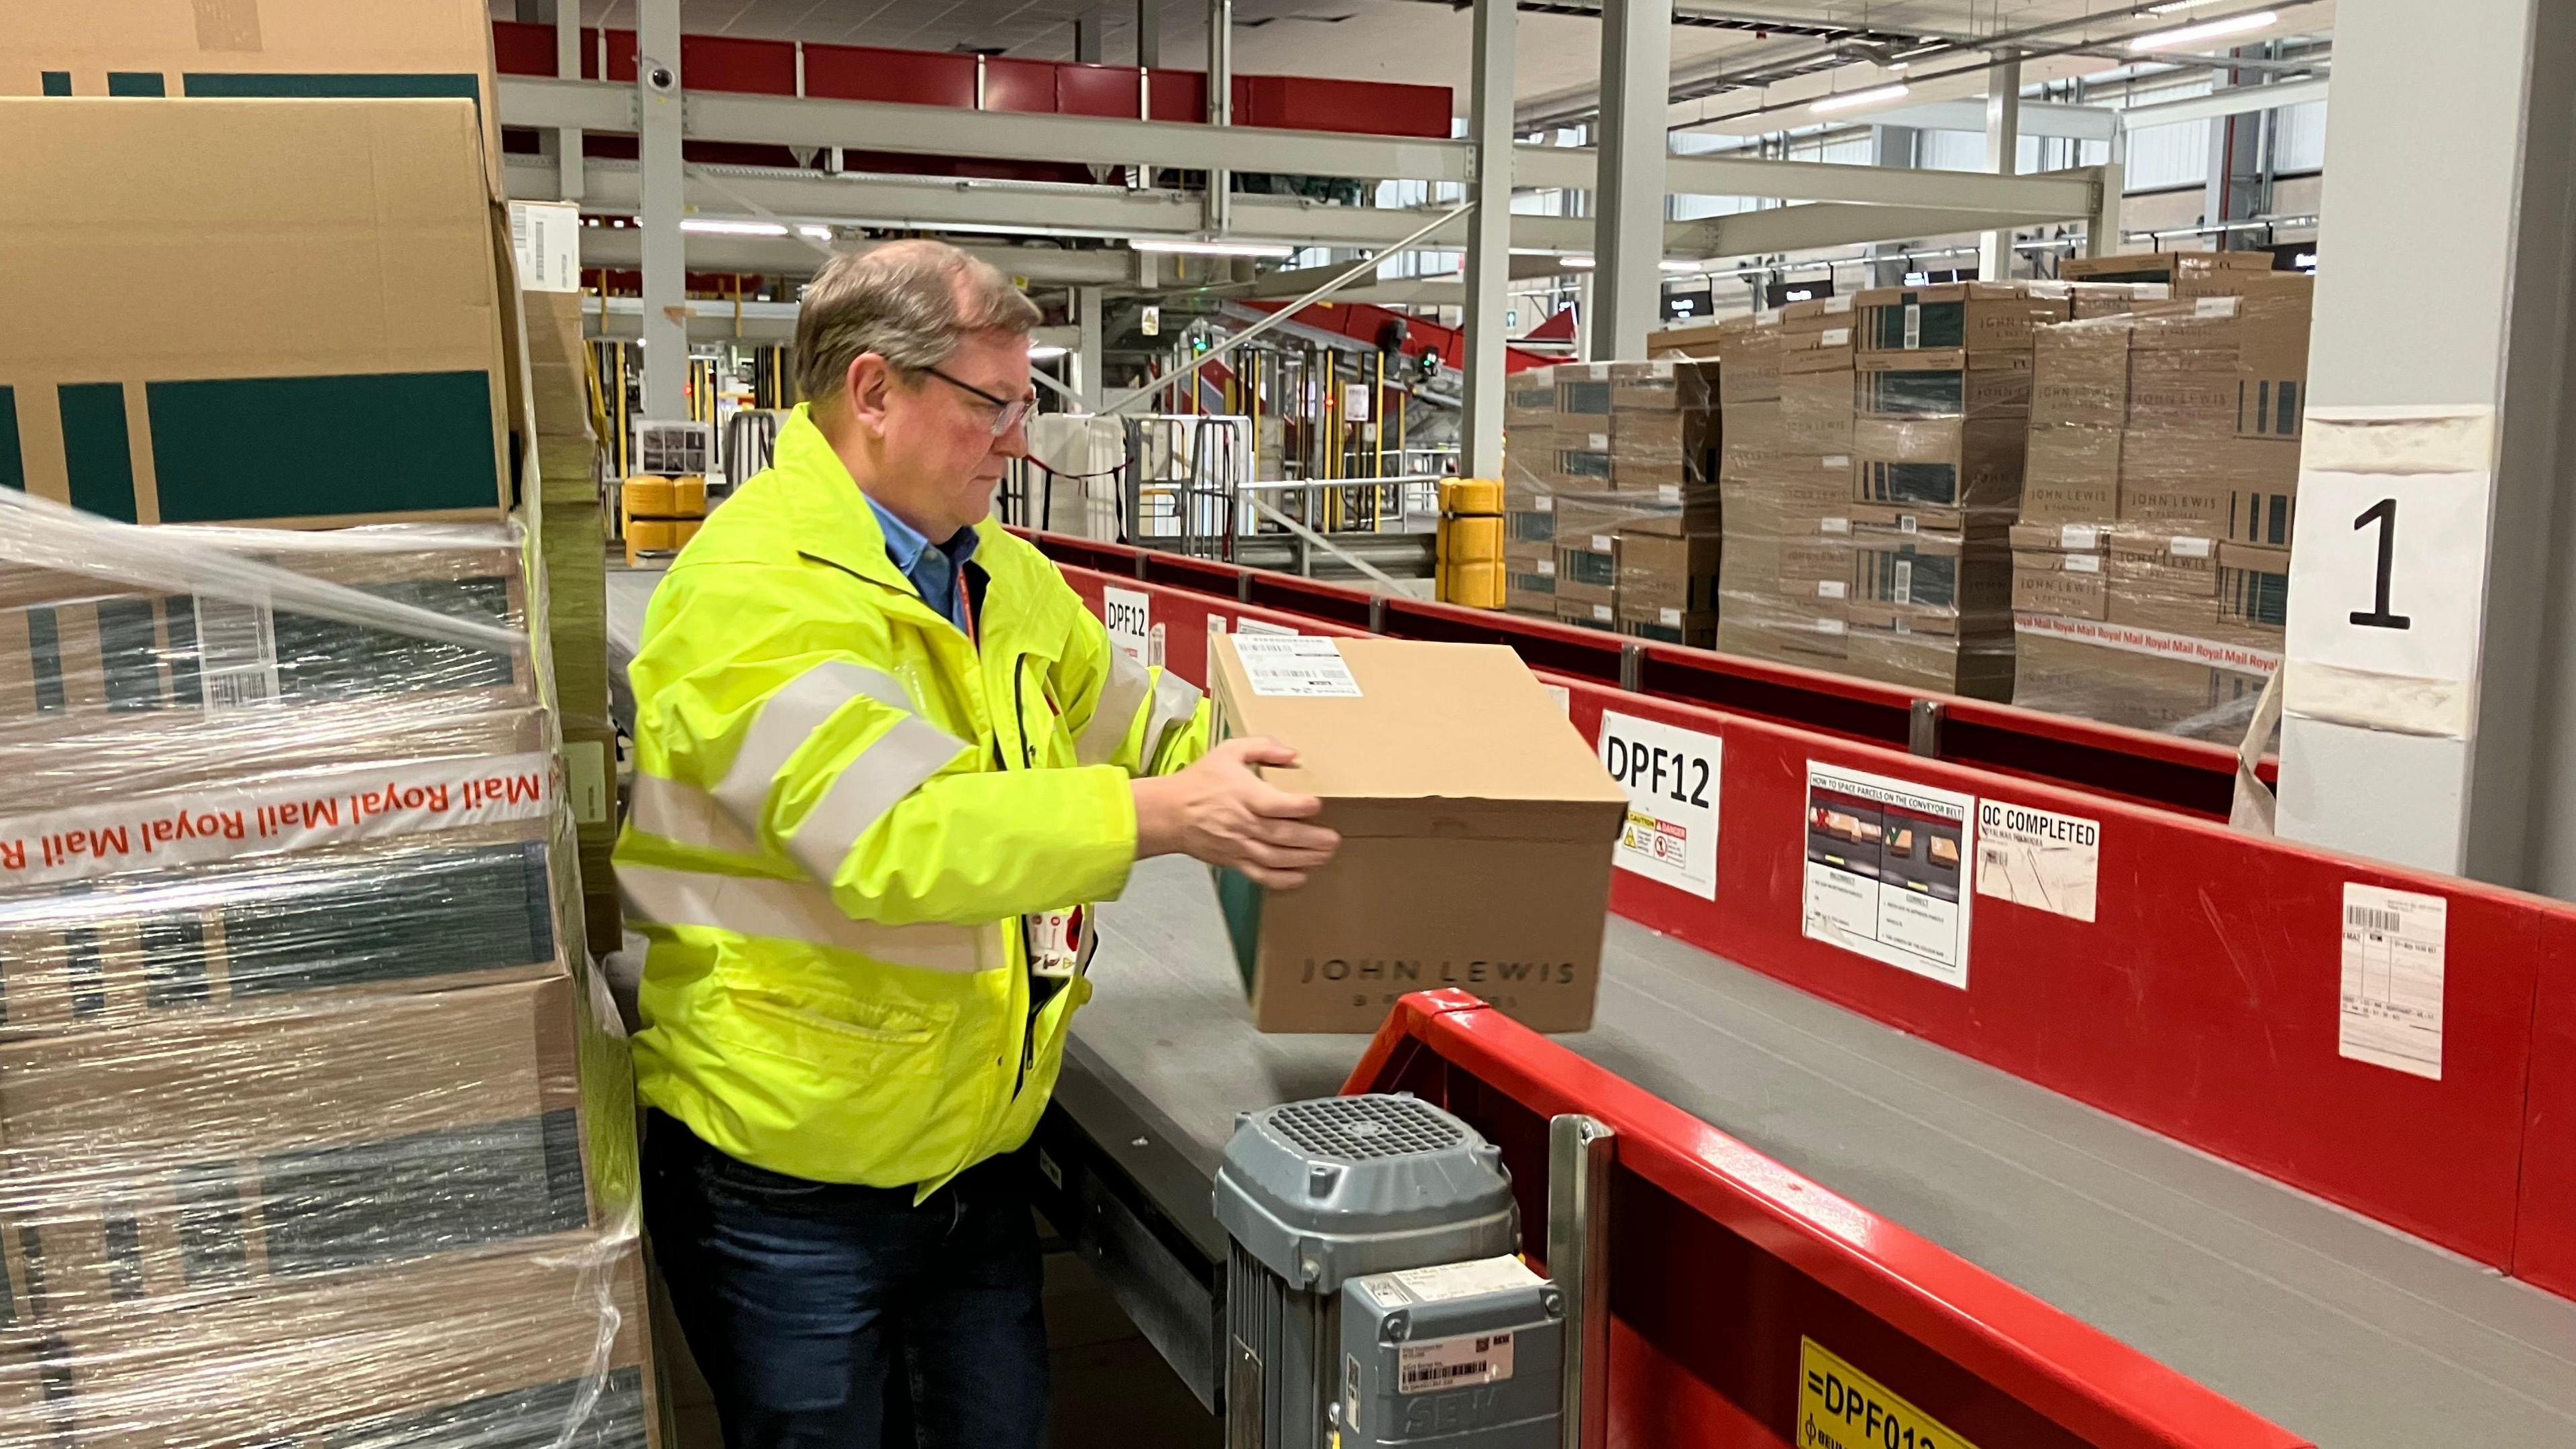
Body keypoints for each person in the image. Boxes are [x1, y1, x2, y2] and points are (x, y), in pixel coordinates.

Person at [616, 239, 1340, 1449]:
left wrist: (1296, 763)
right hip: (791, 1185)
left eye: (1026, 404)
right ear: (873, 393)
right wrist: (1161, 819)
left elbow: (1136, 717)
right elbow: (896, 837)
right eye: (993, 406)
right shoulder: (746, 592)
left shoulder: (997, 574)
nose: (1020, 441)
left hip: (970, 1161)